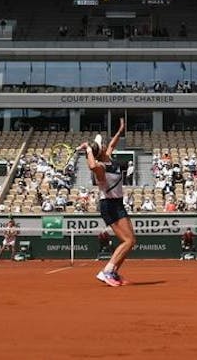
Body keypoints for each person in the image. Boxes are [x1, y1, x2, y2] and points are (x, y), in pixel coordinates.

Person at [82, 118, 133, 287]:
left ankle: (114, 272)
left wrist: (120, 131)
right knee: (128, 241)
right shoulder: (100, 167)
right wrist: (88, 149)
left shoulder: (108, 157)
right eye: (102, 144)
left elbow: (112, 143)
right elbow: (90, 165)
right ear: (100, 150)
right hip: (110, 206)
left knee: (130, 241)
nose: (105, 144)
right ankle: (107, 271)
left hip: (118, 204)